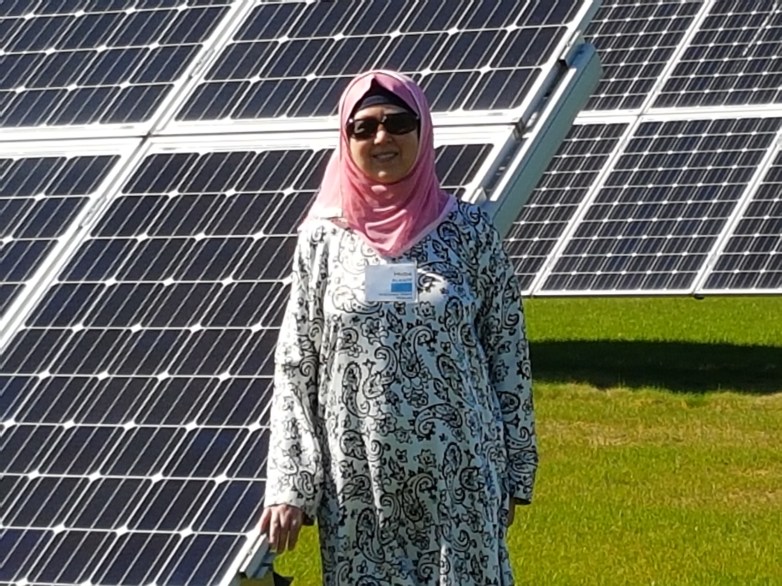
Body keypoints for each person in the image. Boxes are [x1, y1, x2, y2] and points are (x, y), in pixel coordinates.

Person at [260, 69, 538, 585]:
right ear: (344, 140)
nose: (381, 138)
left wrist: (515, 471)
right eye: (362, 128)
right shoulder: (323, 240)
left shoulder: (470, 232)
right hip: (360, 485)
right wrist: (291, 482)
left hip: (460, 479)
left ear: (423, 130)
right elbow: (296, 365)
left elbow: (508, 354)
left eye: (396, 123)